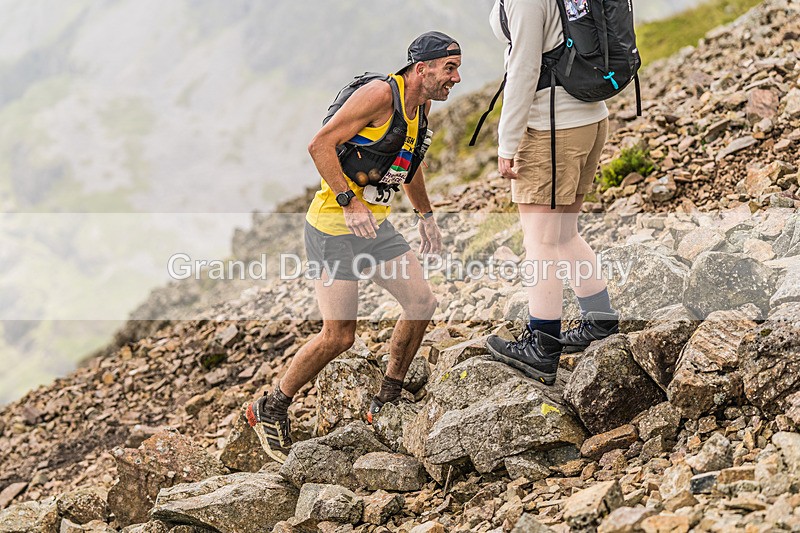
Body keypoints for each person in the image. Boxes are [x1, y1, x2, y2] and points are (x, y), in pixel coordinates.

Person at [247, 31, 462, 463]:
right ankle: (270, 408)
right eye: (450, 68)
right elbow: (319, 144)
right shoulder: (381, 94)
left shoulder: (421, 108)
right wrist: (349, 203)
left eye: (457, 69)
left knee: (421, 302)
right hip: (333, 227)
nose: (456, 78)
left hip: (375, 228)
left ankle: (388, 395)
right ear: (423, 68)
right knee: (340, 335)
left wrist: (426, 217)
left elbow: (409, 165)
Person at [484, 0, 619, 385]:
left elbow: (524, 68)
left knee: (539, 240)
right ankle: (600, 319)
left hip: (552, 128)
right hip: (589, 118)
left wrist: (507, 142)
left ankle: (542, 344)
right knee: (562, 233)